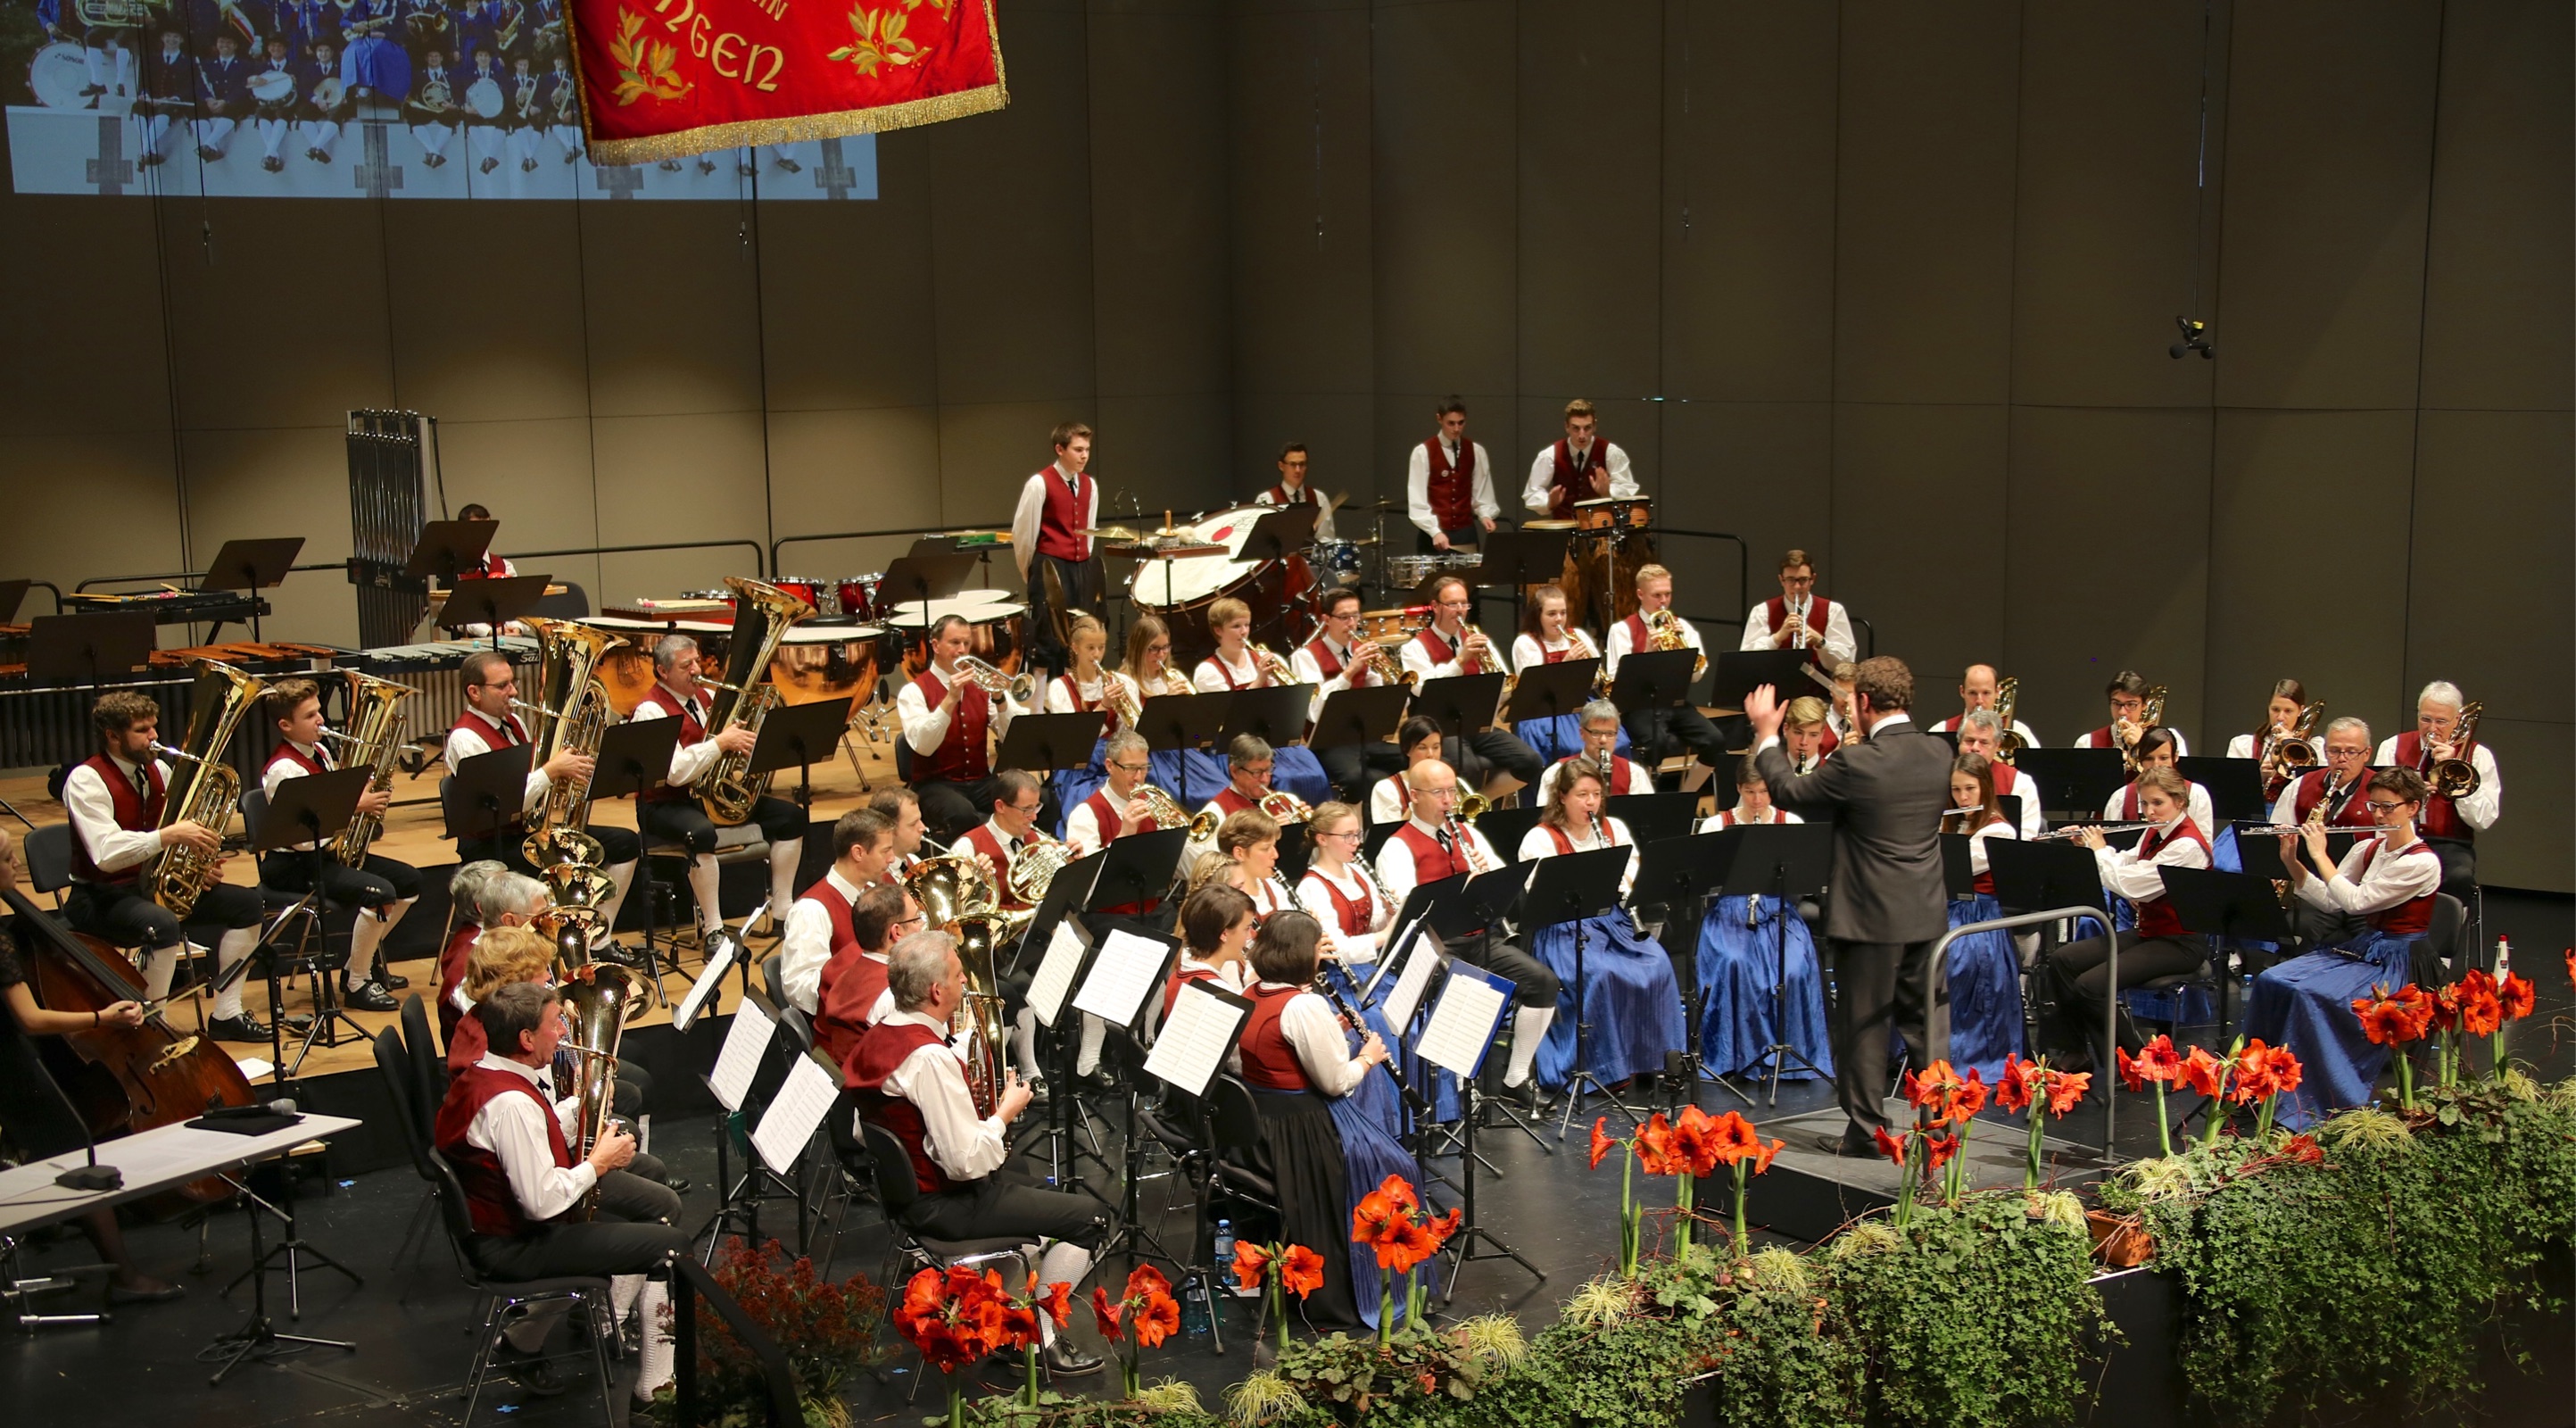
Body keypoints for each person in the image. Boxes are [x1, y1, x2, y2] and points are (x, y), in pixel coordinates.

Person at [843, 932, 1106, 1377]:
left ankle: (998, 1314)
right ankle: (1036, 1337)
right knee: (1090, 1219)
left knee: (1031, 1183)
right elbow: (966, 1162)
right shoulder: (929, 1058)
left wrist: (957, 1109)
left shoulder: (880, 1033)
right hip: (947, 1206)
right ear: (936, 991)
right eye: (959, 974)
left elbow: (861, 1131)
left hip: (907, 1199)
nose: (966, 982)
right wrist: (1004, 1113)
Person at [434, 981, 689, 1402]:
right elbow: (541, 1202)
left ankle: (528, 1338)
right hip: (514, 1246)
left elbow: (527, 1142)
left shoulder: (487, 1074)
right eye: (555, 1024)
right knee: (671, 1245)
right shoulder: (511, 1104)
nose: (563, 1033)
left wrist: (581, 1109)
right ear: (526, 1038)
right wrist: (598, 1163)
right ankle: (654, 1391)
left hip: (501, 1230)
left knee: (649, 1205)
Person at [1744, 657, 1951, 1154]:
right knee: (1927, 1026)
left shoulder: (1857, 763)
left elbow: (1790, 791)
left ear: (1862, 702)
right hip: (1926, 911)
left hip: (1869, 916)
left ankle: (1866, 1133)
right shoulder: (1939, 751)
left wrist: (1767, 735)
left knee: (1865, 1027)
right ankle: (1941, 1127)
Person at [0, 829, 184, 1303]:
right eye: (6, 859)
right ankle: (124, 1277)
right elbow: (30, 1019)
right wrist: (102, 1018)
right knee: (74, 1156)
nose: (15, 866)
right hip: (9, 1066)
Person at [1226, 910, 1408, 1329]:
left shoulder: (1250, 991)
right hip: (1304, 1132)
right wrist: (1368, 1058)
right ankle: (1369, 1284)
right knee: (1395, 1164)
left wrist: (1330, 1033)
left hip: (1263, 1128)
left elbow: (1269, 1054)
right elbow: (1335, 1082)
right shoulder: (1304, 1005)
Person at [62, 692, 275, 1043]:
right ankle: (151, 1026)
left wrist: (197, 868)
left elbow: (175, 840)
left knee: (248, 904)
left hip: (153, 884)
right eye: (141, 730)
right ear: (112, 736)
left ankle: (227, 1013)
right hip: (100, 896)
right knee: (161, 923)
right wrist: (169, 836)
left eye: (154, 727)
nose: (154, 737)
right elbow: (105, 853)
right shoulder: (86, 779)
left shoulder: (159, 770)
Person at [2243, 769, 2443, 1127]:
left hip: (2402, 960)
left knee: (2311, 996)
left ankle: (2315, 1103)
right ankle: (2261, 1085)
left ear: (2413, 808)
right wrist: (2293, 863)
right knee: (2272, 980)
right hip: (2368, 948)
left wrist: (2320, 854)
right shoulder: (2368, 848)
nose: (2378, 815)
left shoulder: (2422, 862)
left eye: (2388, 807)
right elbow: (2332, 901)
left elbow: (2357, 902)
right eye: (2374, 806)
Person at [1373, 760, 1560, 1110]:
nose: (1449, 800)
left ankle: (1515, 1077)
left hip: (1478, 938)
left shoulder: (1468, 833)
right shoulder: (1397, 847)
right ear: (1415, 796)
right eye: (1438, 792)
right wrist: (1463, 887)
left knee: (1543, 983)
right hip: (1433, 947)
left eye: (1451, 791)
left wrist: (1486, 877)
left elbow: (1506, 881)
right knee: (1467, 991)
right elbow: (1409, 911)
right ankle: (1459, 1087)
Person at [441, 649, 642, 951]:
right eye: (503, 686)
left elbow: (532, 780)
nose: (514, 691)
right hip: (490, 841)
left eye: (513, 682)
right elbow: (504, 800)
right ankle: (555, 946)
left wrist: (569, 770)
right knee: (566, 867)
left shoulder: (515, 724)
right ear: (474, 692)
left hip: (526, 832)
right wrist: (552, 770)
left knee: (625, 843)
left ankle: (597, 941)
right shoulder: (465, 738)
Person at [627, 634, 810, 943]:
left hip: (708, 797)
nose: (696, 670)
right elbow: (675, 773)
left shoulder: (707, 698)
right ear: (662, 671)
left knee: (791, 817)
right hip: (664, 805)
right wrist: (721, 743)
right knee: (701, 834)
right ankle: (714, 927)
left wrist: (748, 747)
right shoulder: (650, 710)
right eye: (686, 666)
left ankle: (782, 909)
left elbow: (726, 752)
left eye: (697, 662)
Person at [1515, 766, 1686, 1093]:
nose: (1590, 802)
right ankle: (1606, 1066)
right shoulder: (1540, 838)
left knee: (1658, 963)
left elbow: (1634, 871)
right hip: (1564, 930)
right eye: (1582, 795)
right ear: (1562, 797)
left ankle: (1652, 1057)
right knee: (1601, 974)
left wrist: (1621, 880)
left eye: (1596, 794)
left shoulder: (1613, 828)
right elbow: (1540, 892)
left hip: (1613, 921)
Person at [258, 678, 423, 1013]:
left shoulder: (319, 752)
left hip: (326, 856)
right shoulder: (283, 769)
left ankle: (359, 962)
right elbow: (302, 838)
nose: (321, 719)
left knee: (410, 881)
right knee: (380, 893)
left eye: (319, 711)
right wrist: (354, 806)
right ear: (285, 725)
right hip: (293, 865)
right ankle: (357, 983)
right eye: (310, 716)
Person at [2036, 766, 2209, 1073]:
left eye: (2157, 803)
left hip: (2180, 942)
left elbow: (2131, 884)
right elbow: (2127, 861)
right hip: (2149, 933)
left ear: (2180, 802)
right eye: (2144, 803)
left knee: (2091, 985)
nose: (2149, 811)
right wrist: (2090, 848)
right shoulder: (2155, 831)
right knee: (2063, 960)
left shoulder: (2188, 846)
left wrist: (2099, 851)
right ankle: (2075, 1050)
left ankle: (2135, 1060)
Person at [1690, 762, 1830, 1081]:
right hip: (1729, 911)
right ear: (1738, 789)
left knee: (1793, 969)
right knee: (1735, 963)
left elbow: (1805, 879)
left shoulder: (1790, 823)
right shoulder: (1716, 824)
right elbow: (1703, 880)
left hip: (1777, 909)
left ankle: (1790, 1057)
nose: (1757, 800)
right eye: (1750, 792)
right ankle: (1739, 1056)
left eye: (1764, 792)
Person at [1396, 576, 1542, 801]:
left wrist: (1502, 689)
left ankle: (1480, 802)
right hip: (1440, 728)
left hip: (1477, 724)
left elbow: (1504, 687)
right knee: (1468, 767)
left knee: (1530, 761)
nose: (1460, 610)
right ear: (1435, 606)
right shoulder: (1414, 647)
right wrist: (1460, 660)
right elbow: (1421, 690)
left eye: (1464, 604)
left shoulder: (1476, 639)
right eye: (1452, 604)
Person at [896, 613, 1030, 842]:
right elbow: (924, 746)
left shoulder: (981, 686)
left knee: (1029, 801)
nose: (962, 650)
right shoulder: (914, 691)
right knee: (962, 814)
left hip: (981, 780)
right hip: (934, 784)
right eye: (955, 643)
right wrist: (950, 699)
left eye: (967, 643)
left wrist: (1000, 699)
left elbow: (1014, 737)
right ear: (936, 645)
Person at [1190, 598, 1335, 805]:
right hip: (1234, 748)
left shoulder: (1263, 657)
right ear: (1218, 630)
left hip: (1273, 740)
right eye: (1236, 626)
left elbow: (1284, 706)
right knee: (1284, 778)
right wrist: (1259, 680)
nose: (1244, 632)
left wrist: (1283, 688)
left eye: (1247, 625)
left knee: (1314, 773)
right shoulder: (1208, 671)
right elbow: (1228, 716)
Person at [1935, 754, 2025, 1079]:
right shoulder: (1952, 821)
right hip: (1946, 909)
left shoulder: (1999, 830)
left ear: (1985, 788)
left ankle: (1966, 1054)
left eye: (1970, 789)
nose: (1963, 798)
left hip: (1978, 918)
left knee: (1953, 963)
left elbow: (1956, 865)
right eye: (1956, 790)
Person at [2376, 681, 2499, 902]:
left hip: (2451, 845)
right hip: (2400, 840)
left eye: (2441, 721)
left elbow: (2483, 820)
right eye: (2425, 719)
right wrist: (2408, 794)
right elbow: (2376, 805)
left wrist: (2456, 779)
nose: (2432, 729)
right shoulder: (2392, 747)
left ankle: (2450, 922)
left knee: (2459, 877)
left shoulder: (2479, 755)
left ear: (2457, 720)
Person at [1602, 564, 1729, 769]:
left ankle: (1688, 787)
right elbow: (1616, 681)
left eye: (1667, 594)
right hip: (1639, 708)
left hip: (1674, 703)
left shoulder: (1682, 627)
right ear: (1640, 594)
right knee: (1656, 743)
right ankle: (1649, 787)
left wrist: (1682, 653)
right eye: (1657, 595)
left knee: (1715, 740)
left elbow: (1697, 676)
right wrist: (1648, 653)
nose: (1663, 601)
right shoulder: (1622, 630)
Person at [778, 809, 892, 1017]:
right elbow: (800, 987)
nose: (892, 859)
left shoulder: (871, 894)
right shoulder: (812, 910)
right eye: (885, 851)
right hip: (841, 1026)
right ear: (858, 853)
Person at [1009, 421, 1103, 675]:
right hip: (1050, 567)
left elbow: (1089, 530)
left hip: (1080, 568)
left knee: (1078, 637)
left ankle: (1073, 694)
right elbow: (1024, 534)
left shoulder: (1090, 485)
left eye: (1087, 450)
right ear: (1060, 449)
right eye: (1078, 449)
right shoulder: (1039, 483)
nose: (1084, 456)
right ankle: (1040, 699)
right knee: (1046, 641)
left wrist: (1083, 560)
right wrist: (1033, 572)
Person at [1293, 588, 1401, 800]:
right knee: (1357, 777)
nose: (1351, 624)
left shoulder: (1360, 648)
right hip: (1328, 742)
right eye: (1344, 617)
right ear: (1326, 620)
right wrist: (1349, 673)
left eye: (1355, 616)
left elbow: (1381, 699)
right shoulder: (1305, 656)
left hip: (1365, 736)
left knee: (1410, 758)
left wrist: (1384, 678)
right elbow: (1313, 711)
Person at [1042, 612, 1135, 833]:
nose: (1097, 655)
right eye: (1090, 648)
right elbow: (1073, 740)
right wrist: (1104, 705)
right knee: (1089, 807)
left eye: (1101, 647)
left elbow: (1128, 731)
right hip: (1078, 764)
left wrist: (1125, 715)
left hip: (1114, 758)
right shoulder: (1060, 687)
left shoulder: (1120, 681)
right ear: (1075, 648)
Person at [1121, 614, 1227, 803]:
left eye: (1166, 647)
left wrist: (1190, 708)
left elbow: (1197, 729)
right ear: (1138, 648)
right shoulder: (1127, 682)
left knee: (1222, 789)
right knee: (1186, 797)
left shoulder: (1174, 675)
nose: (1161, 655)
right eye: (1154, 649)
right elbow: (1137, 733)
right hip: (1151, 758)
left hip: (1182, 752)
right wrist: (1168, 703)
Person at [1510, 584, 1621, 765]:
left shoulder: (1578, 635)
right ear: (1537, 616)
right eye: (1551, 614)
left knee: (1619, 742)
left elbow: (1596, 680)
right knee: (1570, 746)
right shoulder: (1526, 643)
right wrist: (1566, 664)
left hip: (1580, 702)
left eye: (1563, 613)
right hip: (1543, 710)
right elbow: (1535, 689)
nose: (1559, 619)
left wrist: (1588, 670)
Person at [812, 883, 915, 1071]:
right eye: (917, 919)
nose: (922, 927)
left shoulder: (845, 967)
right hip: (872, 1085)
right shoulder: (893, 995)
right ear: (897, 932)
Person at [2105, 728, 2232, 873]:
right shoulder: (2121, 796)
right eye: (2149, 759)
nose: (2156, 765)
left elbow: (2202, 850)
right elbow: (2128, 852)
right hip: (2133, 872)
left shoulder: (2196, 793)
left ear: (2175, 757)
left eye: (2163, 758)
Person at [437, 861, 518, 1049]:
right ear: (483, 908)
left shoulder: (490, 938)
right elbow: (488, 1026)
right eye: (505, 887)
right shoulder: (471, 957)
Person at [1404, 397, 1500, 552]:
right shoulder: (1423, 452)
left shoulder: (1476, 451)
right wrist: (1435, 531)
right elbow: (1417, 500)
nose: (1456, 428)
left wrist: (1485, 516)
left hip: (1466, 532)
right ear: (1439, 419)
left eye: (1461, 423)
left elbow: (1482, 493)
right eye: (1451, 423)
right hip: (1434, 534)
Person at [1184, 735, 1288, 871]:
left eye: (1268, 770)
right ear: (1234, 771)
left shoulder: (1282, 801)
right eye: (1256, 772)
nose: (1265, 779)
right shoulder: (1216, 812)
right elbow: (1214, 867)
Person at [1521, 399, 1639, 518]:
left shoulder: (1611, 452)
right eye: (1576, 428)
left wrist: (1608, 492)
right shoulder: (1550, 454)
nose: (1582, 435)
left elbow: (1627, 487)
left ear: (1595, 426)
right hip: (1564, 524)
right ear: (1566, 427)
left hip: (1600, 524)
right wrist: (1549, 502)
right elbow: (1532, 493)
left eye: (1587, 428)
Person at [1735, 550, 1856, 664]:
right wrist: (1777, 638)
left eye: (1803, 580)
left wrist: (1821, 642)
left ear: (1812, 579)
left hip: (1818, 679)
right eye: (1790, 580)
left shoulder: (1833, 610)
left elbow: (1847, 662)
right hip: (1775, 679)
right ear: (1781, 580)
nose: (1797, 587)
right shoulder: (1762, 611)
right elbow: (1747, 660)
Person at [1163, 883, 1254, 1021]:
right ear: (1224, 934)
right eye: (1246, 929)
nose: (1249, 936)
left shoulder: (1179, 973)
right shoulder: (1219, 993)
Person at [1189, 809, 1295, 924]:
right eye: (1265, 848)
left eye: (1274, 846)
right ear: (1239, 853)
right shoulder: (1225, 900)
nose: (1275, 855)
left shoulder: (1274, 887)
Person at [2224, 677, 2323, 801]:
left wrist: (2293, 745)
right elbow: (2232, 789)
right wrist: (2258, 775)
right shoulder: (2243, 745)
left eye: (2288, 711)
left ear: (2300, 711)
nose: (2280, 717)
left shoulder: (2315, 747)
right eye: (2275, 710)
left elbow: (2318, 787)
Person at [2272, 718, 2378, 831]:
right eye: (2334, 751)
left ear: (2367, 754)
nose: (2342, 759)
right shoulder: (2298, 786)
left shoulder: (2380, 791)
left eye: (2351, 752)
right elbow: (2276, 833)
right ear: (2325, 751)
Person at [1537, 699, 1651, 804]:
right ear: (1582, 733)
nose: (1603, 740)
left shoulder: (1634, 773)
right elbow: (1547, 815)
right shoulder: (1556, 772)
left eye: (1610, 734)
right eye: (1596, 733)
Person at [1952, 711, 2041, 840]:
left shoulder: (2020, 783)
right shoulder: (1943, 778)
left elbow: (2026, 837)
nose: (1975, 748)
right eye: (1969, 741)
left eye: (1984, 742)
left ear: (1997, 745)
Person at [2072, 669, 2188, 757]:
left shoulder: (2172, 739)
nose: (2122, 712)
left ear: (2144, 705)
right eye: (2116, 703)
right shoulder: (2087, 742)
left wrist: (2142, 745)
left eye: (2131, 704)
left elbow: (2176, 780)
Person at [1929, 664, 2041, 748]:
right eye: (1973, 693)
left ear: (1998, 692)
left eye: (1986, 693)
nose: (1979, 701)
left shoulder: (2019, 731)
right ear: (1962, 692)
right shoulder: (1941, 730)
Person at [1369, 717, 1445, 826]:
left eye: (1436, 747)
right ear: (1406, 749)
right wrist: (1417, 802)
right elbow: (1389, 833)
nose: (1431, 754)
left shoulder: (1450, 783)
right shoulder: (1386, 789)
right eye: (1422, 748)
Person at [1255, 441, 1337, 540]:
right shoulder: (1267, 500)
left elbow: (1326, 538)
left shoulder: (1320, 498)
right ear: (1281, 466)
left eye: (1302, 464)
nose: (1298, 470)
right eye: (1292, 464)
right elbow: (1262, 540)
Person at [403, 45, 460, 167]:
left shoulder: (451, 75)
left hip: (445, 109)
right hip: (426, 109)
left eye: (436, 56)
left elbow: (459, 94)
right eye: (431, 56)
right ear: (426, 58)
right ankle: (435, 152)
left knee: (452, 116)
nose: (434, 59)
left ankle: (433, 152)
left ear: (441, 58)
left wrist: (453, 105)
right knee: (413, 117)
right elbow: (411, 95)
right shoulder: (418, 75)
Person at [869, 786, 930, 885]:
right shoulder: (872, 881)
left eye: (920, 820)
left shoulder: (914, 861)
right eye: (913, 824)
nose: (923, 828)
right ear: (889, 828)